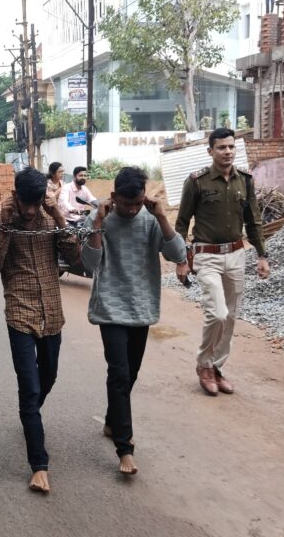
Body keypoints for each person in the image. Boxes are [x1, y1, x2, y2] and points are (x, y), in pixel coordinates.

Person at [82, 167, 187, 476]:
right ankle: (125, 448)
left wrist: (162, 217)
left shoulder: (151, 220)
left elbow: (178, 254)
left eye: (138, 203)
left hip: (141, 308)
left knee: (130, 373)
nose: (131, 210)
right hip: (110, 308)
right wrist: (97, 224)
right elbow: (89, 264)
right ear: (113, 196)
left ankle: (112, 420)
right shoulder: (99, 219)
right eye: (126, 203)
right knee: (119, 373)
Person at [0, 168, 80, 495]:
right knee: (29, 388)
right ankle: (39, 465)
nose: (28, 210)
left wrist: (58, 215)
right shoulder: (1, 218)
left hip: (51, 313)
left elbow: (75, 257)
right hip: (20, 314)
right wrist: (5, 225)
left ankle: (30, 416)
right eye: (24, 202)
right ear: (16, 195)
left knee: (48, 376)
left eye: (34, 203)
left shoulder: (51, 218)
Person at [174, 127, 270, 396]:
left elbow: (253, 221)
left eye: (231, 147)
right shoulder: (197, 182)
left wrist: (262, 255)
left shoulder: (245, 181)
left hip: (237, 255)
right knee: (217, 313)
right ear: (210, 151)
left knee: (230, 317)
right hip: (207, 256)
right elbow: (181, 223)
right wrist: (181, 259)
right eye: (221, 147)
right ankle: (204, 365)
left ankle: (216, 367)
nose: (227, 152)